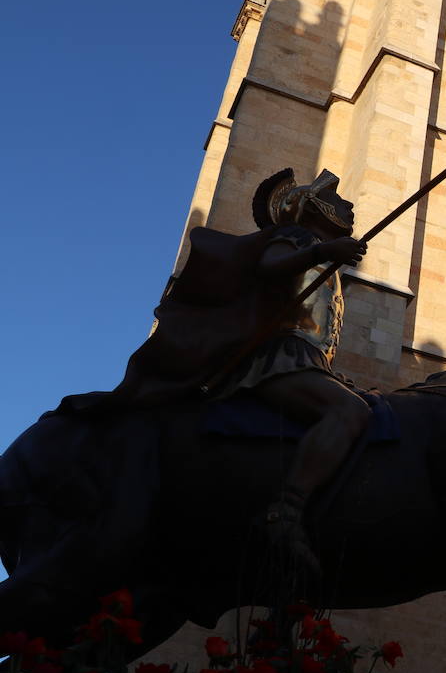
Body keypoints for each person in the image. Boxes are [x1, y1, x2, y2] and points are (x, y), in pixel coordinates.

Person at [110, 168, 370, 576]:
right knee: (348, 413)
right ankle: (286, 509)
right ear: (311, 207)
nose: (348, 205)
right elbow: (270, 266)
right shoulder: (302, 239)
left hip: (308, 360)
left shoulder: (321, 250)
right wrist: (321, 252)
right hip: (281, 358)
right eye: (336, 200)